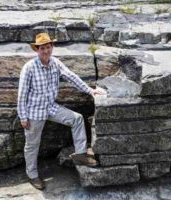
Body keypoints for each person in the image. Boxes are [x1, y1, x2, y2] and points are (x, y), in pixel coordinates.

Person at [17, 32, 104, 190]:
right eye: (42, 48)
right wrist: (23, 117)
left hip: (51, 107)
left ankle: (80, 154)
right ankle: (32, 175)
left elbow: (71, 77)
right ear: (37, 49)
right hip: (34, 112)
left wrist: (90, 91)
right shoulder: (29, 68)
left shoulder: (55, 63)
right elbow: (21, 95)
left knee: (77, 119)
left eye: (48, 47)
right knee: (32, 145)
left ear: (52, 47)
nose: (46, 51)